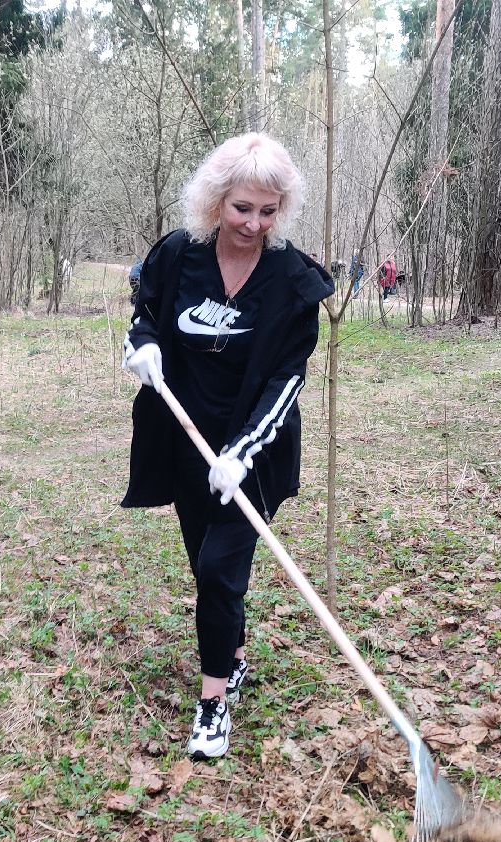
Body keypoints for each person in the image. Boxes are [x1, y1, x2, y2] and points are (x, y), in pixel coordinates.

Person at [120, 133, 333, 761]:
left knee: (219, 568)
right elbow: (146, 314)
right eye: (243, 208)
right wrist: (145, 347)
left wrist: (243, 451)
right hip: (185, 440)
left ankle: (213, 703)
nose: (254, 223)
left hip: (254, 455)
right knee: (203, 561)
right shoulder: (177, 255)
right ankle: (232, 652)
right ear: (217, 201)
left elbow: (286, 377)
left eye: (268, 211)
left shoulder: (292, 281)